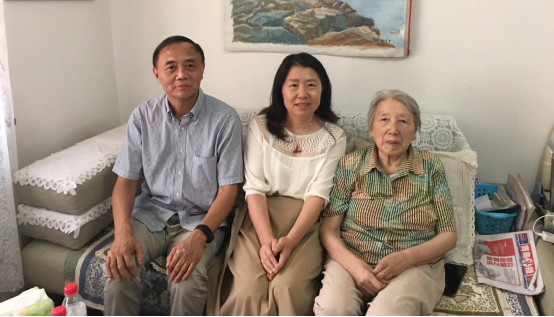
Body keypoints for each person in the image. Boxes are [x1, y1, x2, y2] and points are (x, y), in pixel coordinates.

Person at [103, 36, 244, 316]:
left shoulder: (225, 119)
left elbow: (228, 190)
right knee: (119, 272)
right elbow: (126, 182)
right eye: (171, 67)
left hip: (200, 220)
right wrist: (122, 234)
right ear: (157, 74)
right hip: (150, 215)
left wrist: (200, 236)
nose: (181, 74)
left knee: (186, 281)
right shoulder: (142, 117)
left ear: (202, 70)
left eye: (190, 65)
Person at [217, 53, 347, 316]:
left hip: (305, 224)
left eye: (311, 85)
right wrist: (266, 241)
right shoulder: (261, 127)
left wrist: (290, 241)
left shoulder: (334, 137)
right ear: (281, 90)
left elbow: (318, 195)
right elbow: (254, 188)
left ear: (323, 90)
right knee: (248, 289)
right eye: (293, 85)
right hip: (259, 218)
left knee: (286, 286)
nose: (302, 93)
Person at [314, 90, 457, 316]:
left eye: (403, 121)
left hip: (414, 264)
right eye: (384, 120)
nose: (393, 129)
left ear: (415, 132)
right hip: (352, 258)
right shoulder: (350, 164)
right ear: (371, 129)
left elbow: (448, 235)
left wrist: (405, 258)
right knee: (334, 308)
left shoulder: (431, 167)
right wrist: (355, 267)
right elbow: (329, 229)